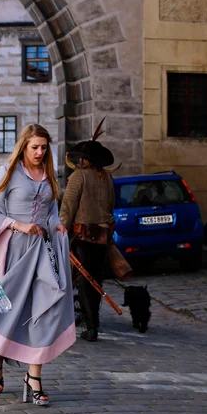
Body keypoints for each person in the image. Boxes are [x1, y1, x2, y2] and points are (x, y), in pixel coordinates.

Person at [0, 124, 75, 405]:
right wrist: (18, 224)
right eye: (34, 147)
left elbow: (52, 211)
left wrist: (57, 226)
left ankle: (33, 376)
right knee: (5, 308)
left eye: (44, 147)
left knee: (42, 310)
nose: (39, 152)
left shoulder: (49, 175)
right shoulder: (6, 172)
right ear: (23, 146)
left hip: (44, 253)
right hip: (12, 252)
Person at [60, 138, 115, 342]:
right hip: (102, 237)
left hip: (82, 238)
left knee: (84, 281)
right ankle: (92, 321)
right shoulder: (107, 178)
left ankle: (91, 326)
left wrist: (61, 233)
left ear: (85, 160)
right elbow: (111, 206)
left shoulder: (78, 177)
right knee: (95, 281)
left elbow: (68, 208)